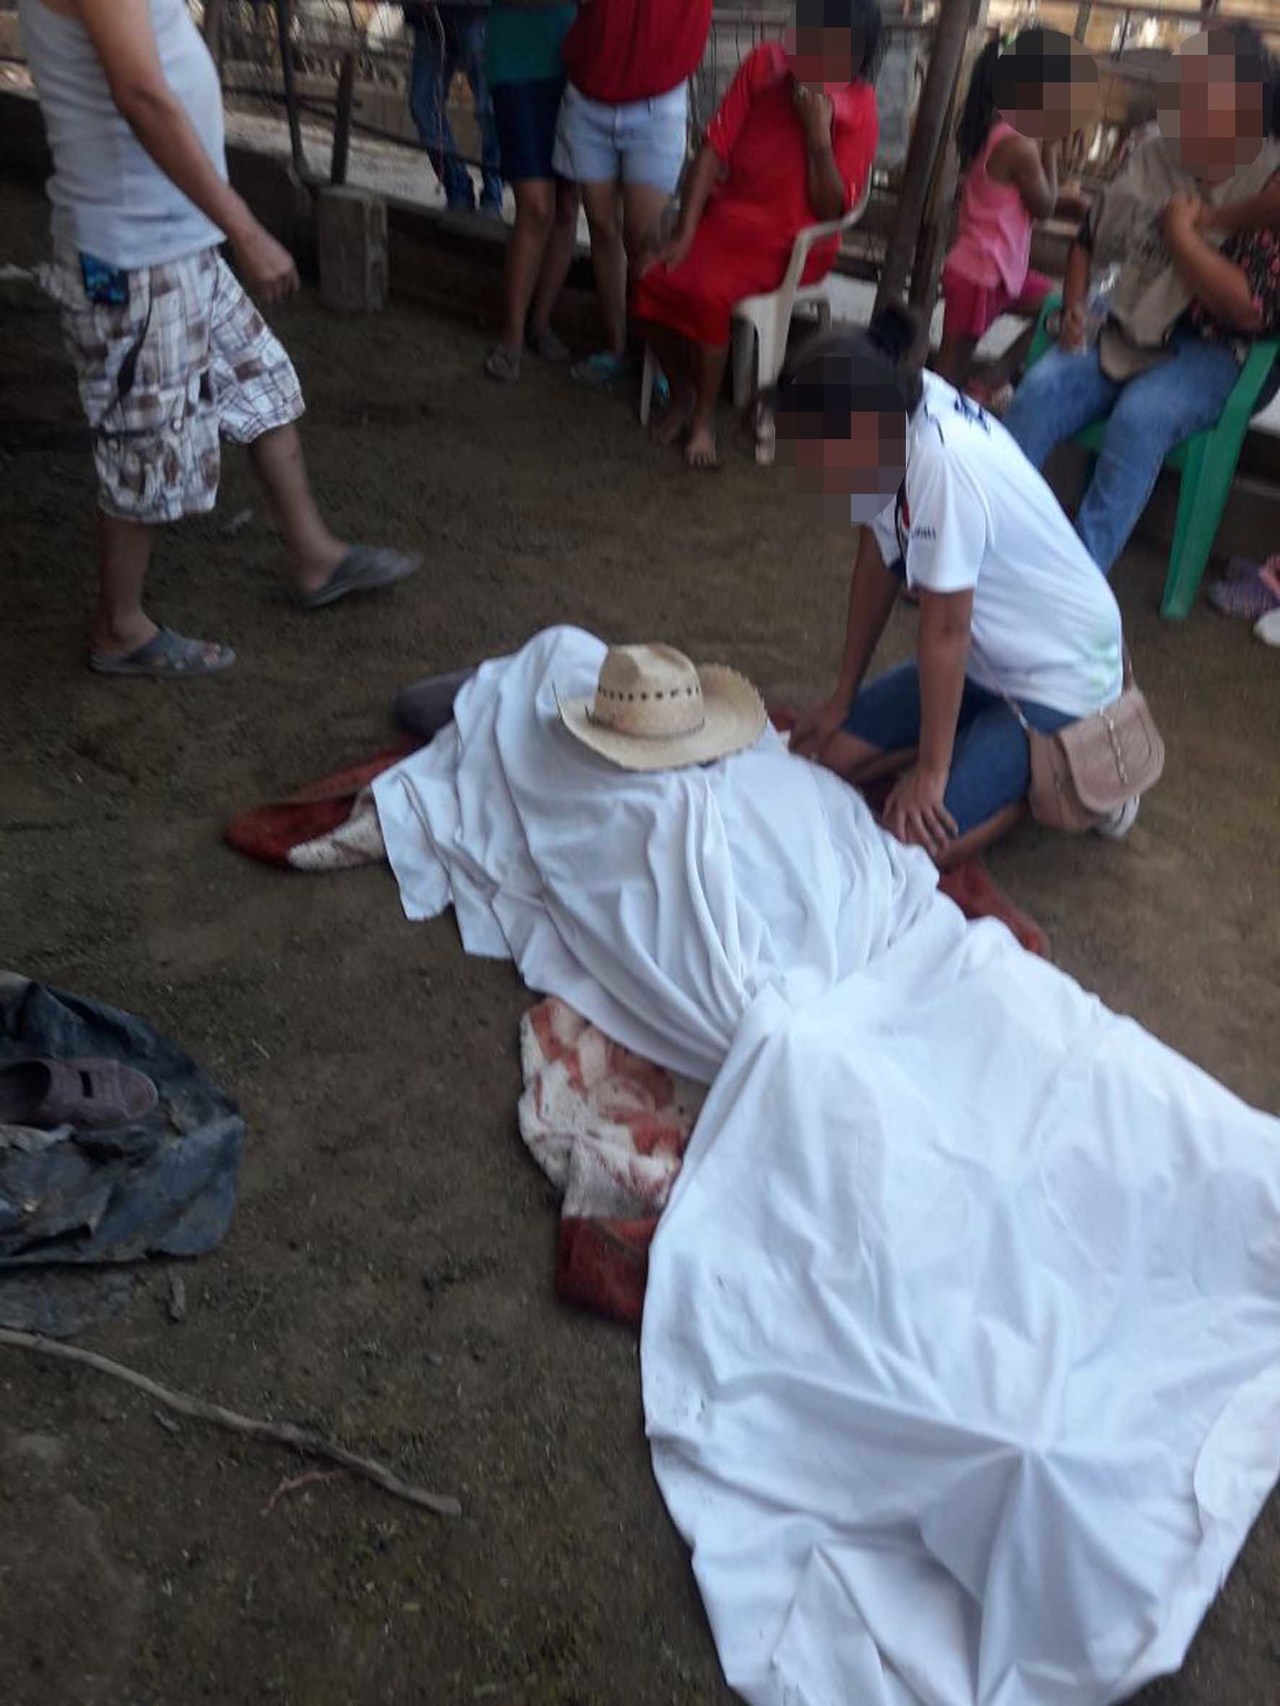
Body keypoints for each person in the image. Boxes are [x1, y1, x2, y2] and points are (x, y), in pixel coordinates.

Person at [19, 0, 420, 677]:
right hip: (136, 253)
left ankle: (315, 558)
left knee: (259, 380)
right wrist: (247, 229)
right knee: (146, 441)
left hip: (174, 239)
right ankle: (120, 628)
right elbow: (143, 95)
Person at [779, 308, 1132, 867]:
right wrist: (842, 697)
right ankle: (976, 747)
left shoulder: (941, 461)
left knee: (908, 843)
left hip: (1058, 677)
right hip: (985, 661)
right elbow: (876, 560)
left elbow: (946, 630)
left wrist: (932, 771)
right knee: (825, 754)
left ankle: (1072, 778)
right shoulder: (893, 406)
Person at [1002, 24, 1280, 579]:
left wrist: (1182, 236)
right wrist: (1075, 308)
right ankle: (976, 547)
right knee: (1041, 390)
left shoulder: (1269, 179)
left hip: (1218, 349)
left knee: (1140, 417)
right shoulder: (1155, 156)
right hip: (1126, 325)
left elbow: (1249, 308)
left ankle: (1073, 584)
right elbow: (1090, 239)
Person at [633, 0, 880, 469]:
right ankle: (683, 391)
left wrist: (817, 137)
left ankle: (704, 418)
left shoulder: (859, 105)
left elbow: (831, 208)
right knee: (648, 276)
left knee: (707, 292)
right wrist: (685, 231)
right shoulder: (764, 64)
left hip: (795, 244)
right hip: (728, 222)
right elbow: (713, 149)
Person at [552, 0, 714, 387]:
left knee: (644, 238)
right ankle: (618, 348)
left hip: (657, 98)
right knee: (602, 226)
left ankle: (657, 362)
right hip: (590, 91)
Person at [936, 28, 1092, 396]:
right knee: (947, 374)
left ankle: (992, 379)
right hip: (979, 273)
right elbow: (1044, 206)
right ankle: (920, 421)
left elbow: (1019, 199)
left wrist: (1069, 199)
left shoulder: (1005, 129)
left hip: (1002, 272)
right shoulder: (1019, 144)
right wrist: (1051, 148)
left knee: (1058, 307)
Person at [483, 2, 580, 382]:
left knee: (567, 203)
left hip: (573, 60)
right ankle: (512, 336)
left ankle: (540, 322)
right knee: (536, 206)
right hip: (516, 62)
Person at [404, 2, 504, 217]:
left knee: (489, 109)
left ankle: (493, 194)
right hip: (429, 19)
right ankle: (458, 188)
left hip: (478, 15)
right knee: (423, 104)